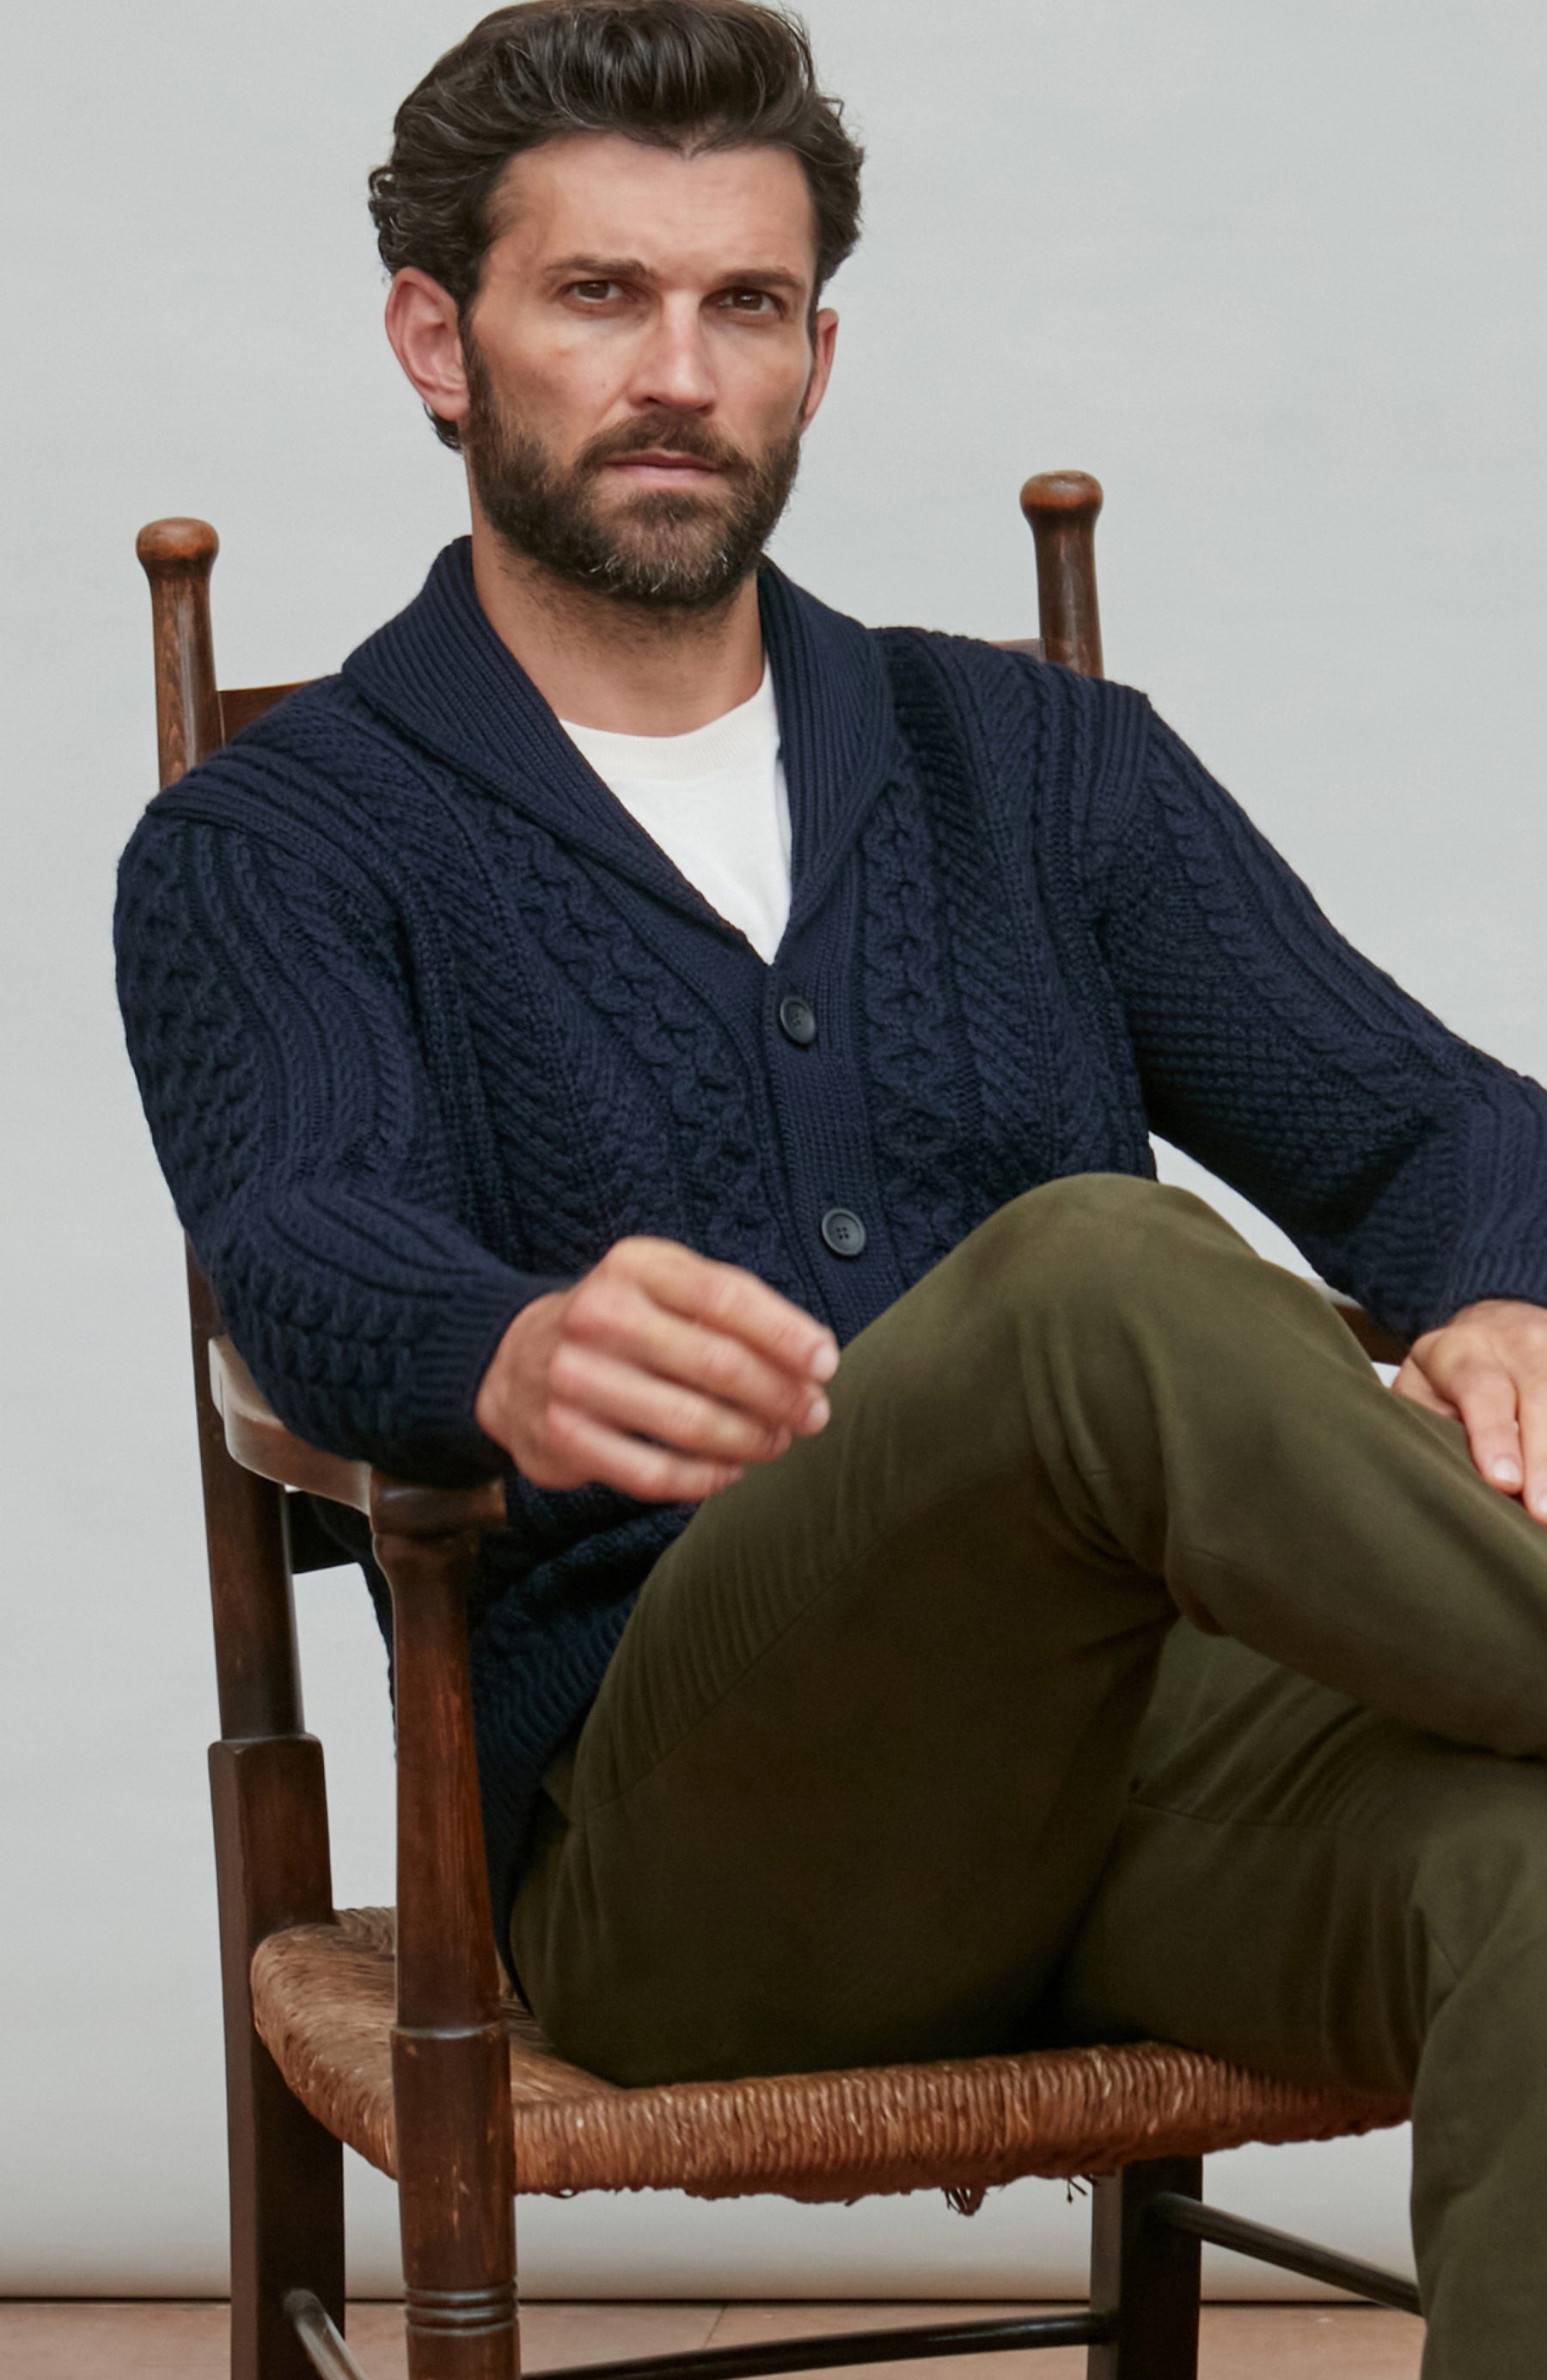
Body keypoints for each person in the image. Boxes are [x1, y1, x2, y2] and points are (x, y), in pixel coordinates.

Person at [114, 6, 1547, 2370]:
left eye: (745, 306)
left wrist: (1496, 1285)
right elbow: (299, 1230)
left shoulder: (1040, 764)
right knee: (1088, 1272)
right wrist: (510, 1342)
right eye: (600, 296)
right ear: (434, 338)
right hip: (704, 1859)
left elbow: (1447, 1121)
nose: (680, 369)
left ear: (817, 351)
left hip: (1142, 1775)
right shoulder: (277, 840)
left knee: (1526, 1867)